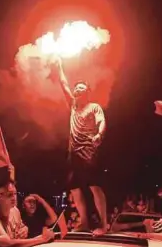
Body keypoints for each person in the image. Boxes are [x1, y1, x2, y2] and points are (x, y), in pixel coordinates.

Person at [51, 57, 108, 236]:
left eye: (81, 88)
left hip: (89, 151)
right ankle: (83, 223)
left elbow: (102, 121)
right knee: (74, 188)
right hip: (73, 153)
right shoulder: (73, 107)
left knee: (94, 186)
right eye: (76, 88)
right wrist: (59, 65)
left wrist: (99, 134)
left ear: (88, 92)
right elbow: (63, 82)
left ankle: (104, 225)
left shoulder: (94, 107)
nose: (77, 90)